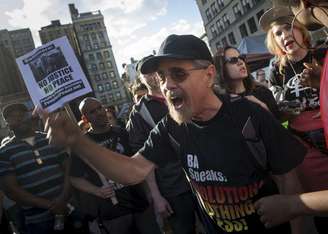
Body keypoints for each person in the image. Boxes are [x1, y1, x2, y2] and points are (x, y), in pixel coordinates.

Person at [42, 34, 314, 234]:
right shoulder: (170, 126)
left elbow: (289, 182)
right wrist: (77, 142)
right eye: (161, 77)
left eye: (178, 74)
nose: (167, 85)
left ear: (208, 75)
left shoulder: (250, 115)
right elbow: (133, 171)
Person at [259, 6, 328, 233]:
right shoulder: (276, 70)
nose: (284, 35)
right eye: (277, 33)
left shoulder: (321, 55)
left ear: (302, 31)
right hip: (304, 146)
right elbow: (278, 112)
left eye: (289, 29)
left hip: (327, 129)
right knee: (318, 207)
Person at [70, 97, 161, 234]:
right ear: (85, 118)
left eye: (100, 108)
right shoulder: (83, 144)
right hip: (113, 213)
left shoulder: (122, 132)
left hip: (139, 204)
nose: (99, 113)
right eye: (92, 111)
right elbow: (74, 178)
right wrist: (97, 190)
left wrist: (151, 193)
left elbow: (139, 164)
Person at [126, 55, 196, 234]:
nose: (152, 76)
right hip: (174, 188)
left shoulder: (181, 91)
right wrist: (156, 196)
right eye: (145, 73)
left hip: (204, 176)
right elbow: (143, 158)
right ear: (140, 79)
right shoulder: (139, 113)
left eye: (154, 71)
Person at [0, 103, 71, 234]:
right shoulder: (4, 152)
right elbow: (11, 190)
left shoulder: (50, 138)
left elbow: (69, 169)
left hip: (69, 209)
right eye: (13, 117)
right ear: (7, 123)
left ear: (30, 115)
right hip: (38, 221)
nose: (19, 118)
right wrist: (50, 206)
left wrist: (63, 198)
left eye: (22, 114)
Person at [215, 46, 280, 119]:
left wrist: (262, 107)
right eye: (233, 60)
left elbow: (279, 124)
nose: (240, 62)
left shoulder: (263, 92)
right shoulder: (222, 103)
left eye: (241, 58)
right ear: (222, 68)